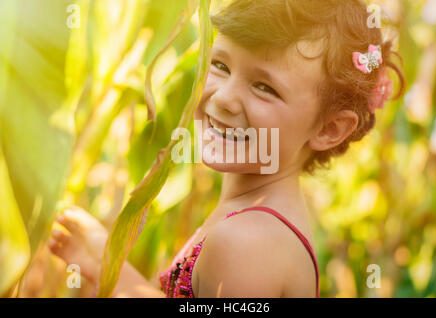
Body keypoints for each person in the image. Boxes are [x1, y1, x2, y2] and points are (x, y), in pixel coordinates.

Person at [48, 0, 404, 298]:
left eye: (265, 87)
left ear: (330, 129)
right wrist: (106, 264)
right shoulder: (253, 219)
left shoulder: (246, 243)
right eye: (219, 65)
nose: (224, 98)